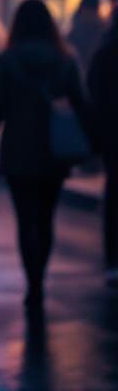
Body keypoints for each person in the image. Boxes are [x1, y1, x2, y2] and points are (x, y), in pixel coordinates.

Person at [0, 0, 93, 308]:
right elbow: (82, 104)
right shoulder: (66, 59)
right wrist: (92, 144)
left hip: (17, 148)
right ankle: (40, 276)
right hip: (53, 148)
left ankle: (32, 281)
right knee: (46, 217)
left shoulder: (7, 60)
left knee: (24, 217)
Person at [88, 20, 118, 287]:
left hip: (112, 133)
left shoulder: (105, 52)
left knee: (114, 193)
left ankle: (113, 260)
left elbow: (92, 94)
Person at [68, 0, 107, 69]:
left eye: (92, 11)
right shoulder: (103, 34)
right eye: (89, 11)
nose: (90, 15)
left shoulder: (103, 35)